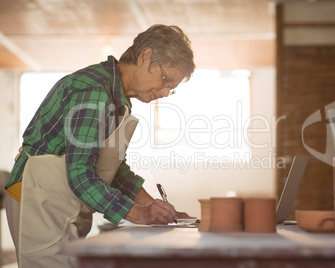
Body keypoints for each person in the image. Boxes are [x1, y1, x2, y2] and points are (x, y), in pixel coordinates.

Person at [5, 24, 196, 268]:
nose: (166, 92)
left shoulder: (118, 99)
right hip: (37, 198)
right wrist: (138, 213)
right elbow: (81, 175)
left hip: (58, 201)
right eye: (166, 79)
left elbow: (112, 170)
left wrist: (152, 208)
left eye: (172, 88)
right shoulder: (94, 91)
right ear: (144, 56)